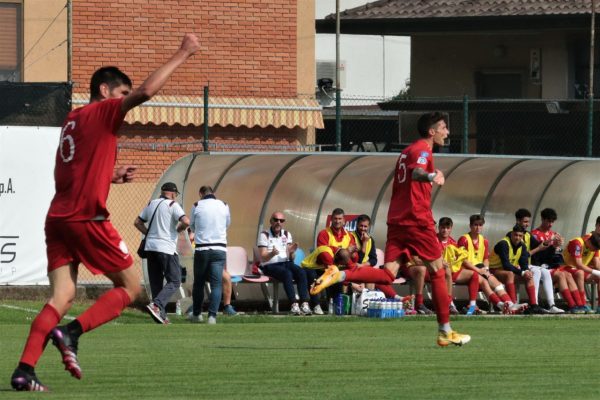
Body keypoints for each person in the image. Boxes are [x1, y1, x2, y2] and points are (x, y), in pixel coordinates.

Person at [10, 33, 201, 392]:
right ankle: (70, 333)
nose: (122, 103)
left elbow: (71, 169)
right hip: (85, 218)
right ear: (103, 91)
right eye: (118, 95)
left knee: (61, 296)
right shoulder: (100, 111)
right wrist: (182, 53)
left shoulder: (74, 119)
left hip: (59, 219)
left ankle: (24, 370)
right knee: (131, 287)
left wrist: (110, 175)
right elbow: (145, 92)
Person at [380, 112, 470, 345]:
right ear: (432, 132)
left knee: (387, 273)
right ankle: (445, 331)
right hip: (416, 220)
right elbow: (417, 173)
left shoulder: (407, 150)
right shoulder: (422, 150)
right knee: (439, 272)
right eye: (444, 128)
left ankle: (340, 275)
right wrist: (433, 175)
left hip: (398, 219)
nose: (447, 132)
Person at [307, 209, 397, 303]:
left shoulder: (366, 239)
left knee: (376, 278)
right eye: (361, 226)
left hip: (356, 267)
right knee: (367, 277)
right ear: (357, 225)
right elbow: (330, 254)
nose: (363, 228)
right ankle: (361, 302)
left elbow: (372, 259)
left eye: (365, 226)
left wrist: (362, 264)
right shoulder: (350, 236)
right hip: (338, 268)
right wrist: (355, 255)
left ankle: (387, 300)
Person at [134, 182, 189, 324]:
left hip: (150, 248)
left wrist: (150, 233)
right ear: (171, 193)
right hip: (166, 248)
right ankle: (156, 305)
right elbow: (186, 221)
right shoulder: (172, 205)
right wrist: (178, 230)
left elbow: (137, 222)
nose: (175, 197)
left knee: (156, 283)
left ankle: (162, 316)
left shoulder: (151, 203)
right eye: (175, 194)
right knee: (175, 280)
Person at [438, 217, 517, 315]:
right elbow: (463, 261)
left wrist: (486, 269)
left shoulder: (483, 240)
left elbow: (485, 259)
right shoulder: (463, 239)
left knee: (485, 279)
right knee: (487, 279)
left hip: (476, 268)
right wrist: (479, 270)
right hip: (465, 268)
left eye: (480, 225)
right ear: (470, 226)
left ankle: (503, 304)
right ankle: (509, 303)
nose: (478, 227)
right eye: (475, 225)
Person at [189, 187, 237, 316]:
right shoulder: (224, 205)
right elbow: (227, 223)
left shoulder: (196, 205)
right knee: (217, 284)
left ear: (200, 194)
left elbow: (192, 225)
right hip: (219, 248)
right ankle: (212, 316)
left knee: (198, 283)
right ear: (213, 193)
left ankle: (197, 314)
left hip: (202, 248)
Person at [258, 211, 312, 315]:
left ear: (283, 222)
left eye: (281, 220)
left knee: (301, 272)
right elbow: (263, 257)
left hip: (285, 263)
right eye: (276, 220)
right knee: (287, 273)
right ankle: (294, 305)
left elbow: (291, 258)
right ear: (271, 221)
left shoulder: (286, 234)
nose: (278, 222)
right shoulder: (264, 235)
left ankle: (305, 303)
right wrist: (272, 253)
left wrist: (292, 252)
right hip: (269, 265)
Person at [513, 208, 565, 314]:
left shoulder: (527, 235)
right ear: (518, 221)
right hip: (516, 266)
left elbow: (540, 248)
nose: (527, 224)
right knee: (536, 271)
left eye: (528, 222)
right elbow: (524, 255)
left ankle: (551, 305)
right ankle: (534, 304)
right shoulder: (514, 235)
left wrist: (554, 246)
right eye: (525, 222)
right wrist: (540, 248)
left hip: (527, 265)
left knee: (544, 272)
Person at [531, 208, 582, 313]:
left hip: (552, 266)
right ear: (542, 219)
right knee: (561, 275)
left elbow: (556, 256)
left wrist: (558, 248)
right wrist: (552, 247)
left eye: (552, 222)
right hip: (540, 267)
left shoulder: (554, 234)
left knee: (568, 274)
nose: (550, 224)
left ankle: (580, 305)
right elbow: (536, 256)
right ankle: (572, 305)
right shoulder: (534, 234)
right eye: (548, 221)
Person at [488, 224, 540, 312]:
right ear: (512, 234)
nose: (517, 238)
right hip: (494, 270)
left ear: (522, 236)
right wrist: (522, 273)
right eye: (515, 235)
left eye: (520, 236)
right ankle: (514, 304)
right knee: (510, 274)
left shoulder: (522, 246)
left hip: (506, 271)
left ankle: (534, 305)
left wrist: (526, 271)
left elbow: (524, 263)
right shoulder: (503, 243)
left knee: (529, 275)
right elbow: (506, 265)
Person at [560, 229, 600, 313]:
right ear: (589, 241)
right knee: (580, 273)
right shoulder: (577, 243)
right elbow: (578, 265)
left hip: (580, 270)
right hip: (566, 268)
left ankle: (599, 307)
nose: (595, 250)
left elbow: (597, 264)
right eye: (595, 248)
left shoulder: (595, 246)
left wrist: (598, 272)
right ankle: (582, 304)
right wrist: (596, 272)